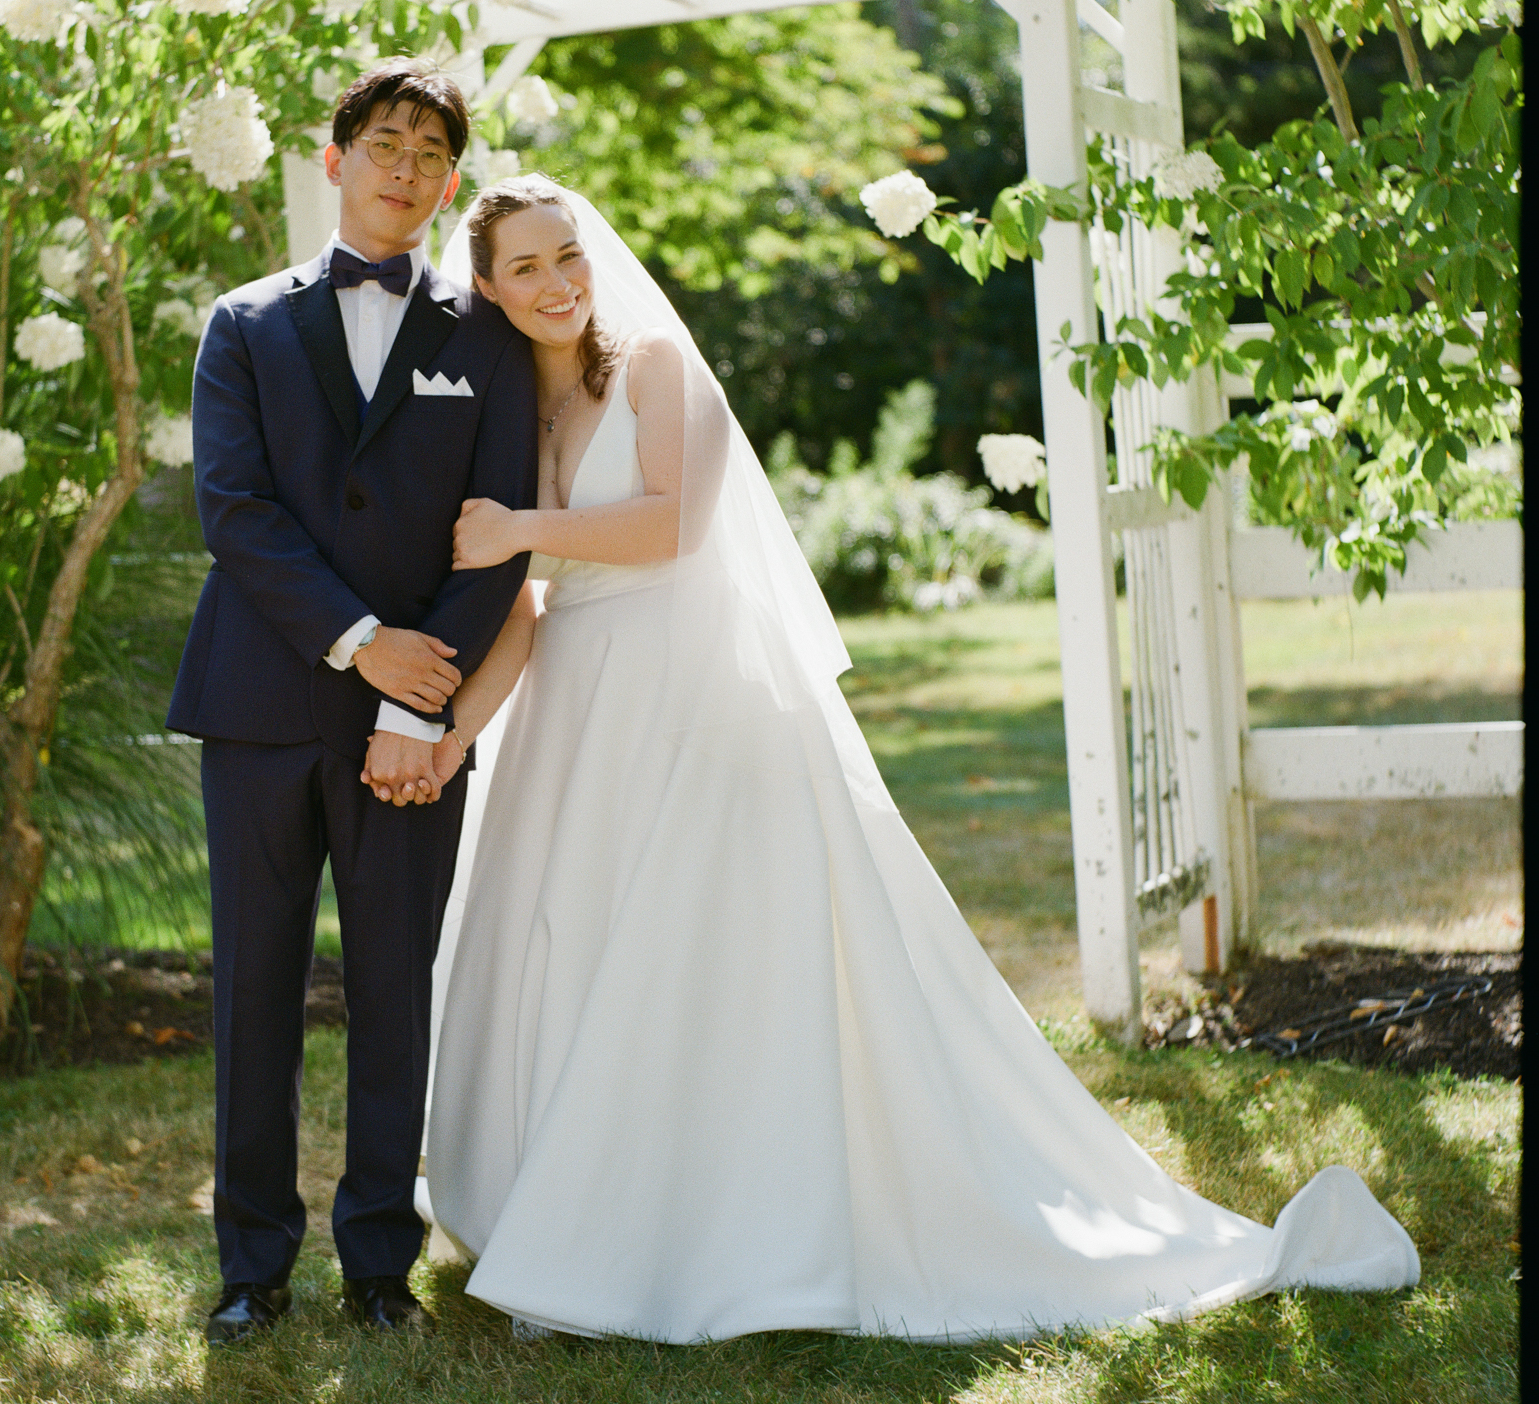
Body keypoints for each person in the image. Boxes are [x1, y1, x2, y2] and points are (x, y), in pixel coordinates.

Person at [417, 174, 1419, 1345]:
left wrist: (525, 528)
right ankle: (570, 1213)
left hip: (694, 697)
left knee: (704, 951)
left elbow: (668, 525)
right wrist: (449, 735)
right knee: (574, 938)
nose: (557, 285)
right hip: (576, 708)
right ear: (484, 286)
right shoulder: (508, 409)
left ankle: (718, 1232)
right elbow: (521, 607)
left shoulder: (651, 368)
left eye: (568, 256)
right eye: (526, 269)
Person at [166, 62, 537, 1344]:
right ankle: (249, 1267)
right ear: (334, 162)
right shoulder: (243, 324)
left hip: (414, 726)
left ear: (449, 184)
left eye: (432, 154)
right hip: (264, 706)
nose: (406, 168)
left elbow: (495, 541)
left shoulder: (488, 339)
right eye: (385, 143)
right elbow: (237, 512)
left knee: (395, 989)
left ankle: (380, 1260)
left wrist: (417, 702)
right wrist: (359, 644)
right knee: (253, 989)